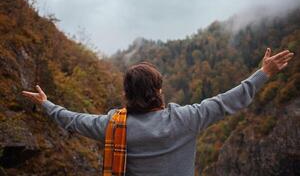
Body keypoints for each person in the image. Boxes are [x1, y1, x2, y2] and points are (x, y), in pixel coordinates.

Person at [22, 48, 294, 176]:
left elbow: (73, 120)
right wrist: (263, 73)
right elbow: (228, 101)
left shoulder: (114, 126)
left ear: (128, 94)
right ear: (158, 91)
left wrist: (47, 103)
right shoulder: (187, 119)